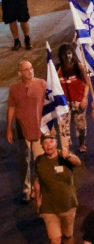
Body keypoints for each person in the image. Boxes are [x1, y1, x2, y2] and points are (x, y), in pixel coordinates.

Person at [34, 133, 81, 244]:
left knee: (68, 236)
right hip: (49, 208)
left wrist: (69, 155)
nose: (48, 145)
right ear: (42, 145)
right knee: (55, 241)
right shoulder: (39, 161)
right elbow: (37, 180)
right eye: (45, 143)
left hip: (68, 205)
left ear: (56, 143)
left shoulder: (64, 156)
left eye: (51, 142)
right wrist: (38, 199)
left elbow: (78, 162)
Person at [7, 60, 48, 201]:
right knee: (24, 160)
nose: (30, 71)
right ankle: (27, 188)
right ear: (20, 73)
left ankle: (38, 188)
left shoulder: (42, 84)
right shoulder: (14, 89)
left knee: (39, 161)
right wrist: (9, 129)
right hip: (21, 129)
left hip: (39, 129)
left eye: (31, 68)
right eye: (26, 69)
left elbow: (49, 105)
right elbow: (11, 108)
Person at [56, 43, 91, 152]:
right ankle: (66, 147)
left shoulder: (78, 66)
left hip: (78, 101)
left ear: (72, 54)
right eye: (64, 54)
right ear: (60, 56)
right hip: (64, 103)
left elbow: (87, 83)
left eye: (69, 53)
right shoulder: (57, 69)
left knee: (80, 124)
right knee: (64, 126)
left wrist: (85, 98)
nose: (67, 56)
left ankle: (82, 143)